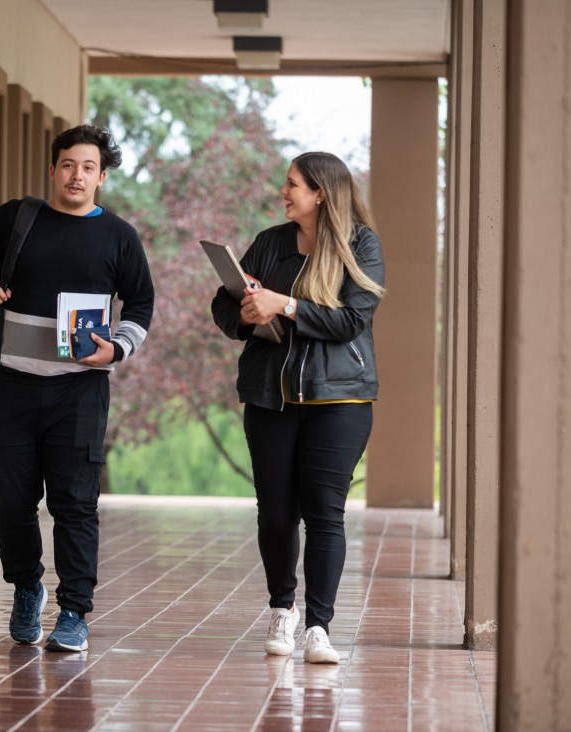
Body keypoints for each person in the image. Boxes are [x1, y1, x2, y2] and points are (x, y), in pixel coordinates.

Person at [0, 124, 154, 652]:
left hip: (80, 390)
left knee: (74, 504)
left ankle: (74, 612)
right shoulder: (18, 217)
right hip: (13, 384)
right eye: (68, 164)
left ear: (102, 178)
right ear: (53, 169)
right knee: (10, 499)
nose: (77, 175)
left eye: (88, 167)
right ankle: (27, 587)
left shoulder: (119, 236)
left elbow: (140, 305)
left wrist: (116, 348)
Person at [211, 151, 385, 664]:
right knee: (276, 512)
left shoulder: (361, 244)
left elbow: (352, 320)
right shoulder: (270, 242)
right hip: (271, 396)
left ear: (320, 193)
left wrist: (283, 304)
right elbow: (223, 306)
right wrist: (246, 311)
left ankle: (319, 628)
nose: (283, 193)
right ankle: (282, 610)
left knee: (324, 513)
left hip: (341, 399)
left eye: (292, 185)